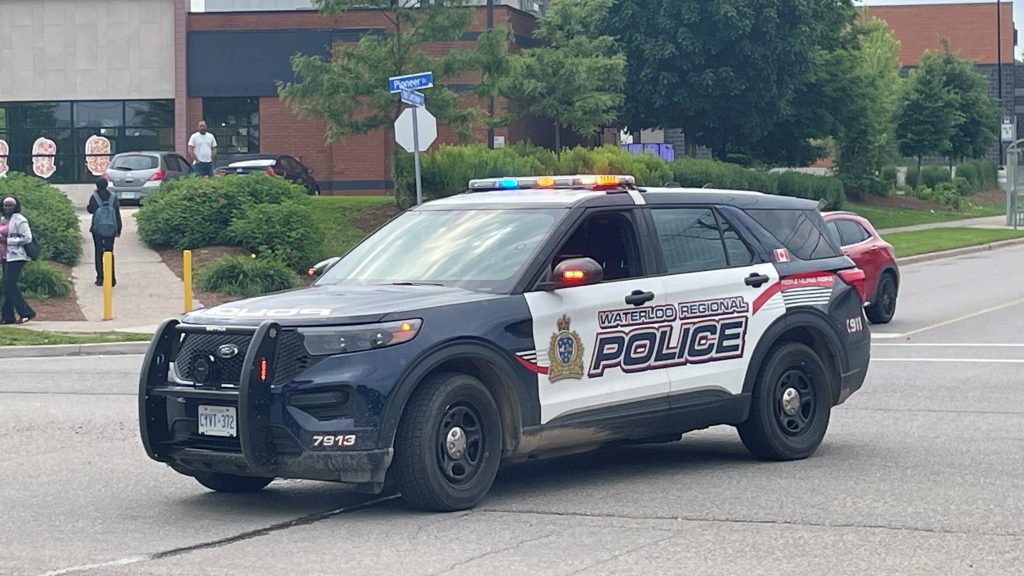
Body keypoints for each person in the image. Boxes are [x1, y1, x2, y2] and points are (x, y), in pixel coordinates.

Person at [1, 196, 36, 324]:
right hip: (5, 256)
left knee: (9, 285)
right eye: (5, 205)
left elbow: (27, 238)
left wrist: (7, 241)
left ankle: (26, 312)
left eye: (10, 205)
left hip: (17, 256)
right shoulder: (3, 220)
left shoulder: (20, 220)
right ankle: (8, 317)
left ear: (16, 207)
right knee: (6, 286)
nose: (8, 208)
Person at [87, 178, 123, 287]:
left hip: (97, 229)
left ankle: (100, 278)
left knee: (98, 252)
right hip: (111, 229)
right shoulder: (113, 197)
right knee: (109, 252)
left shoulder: (95, 197)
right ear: (107, 185)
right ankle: (111, 278)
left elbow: (90, 210)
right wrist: (118, 229)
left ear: (97, 186)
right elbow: (117, 213)